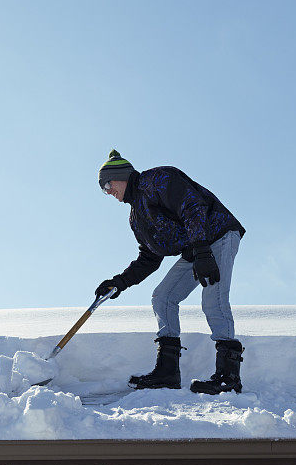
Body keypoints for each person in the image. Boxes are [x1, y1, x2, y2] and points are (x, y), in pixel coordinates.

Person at [95, 149, 246, 395]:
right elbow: (149, 258)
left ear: (121, 175)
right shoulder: (136, 217)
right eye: (104, 189)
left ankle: (228, 377)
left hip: (216, 236)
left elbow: (192, 207)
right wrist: (119, 282)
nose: (108, 191)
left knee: (213, 299)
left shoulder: (158, 180)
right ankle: (167, 372)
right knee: (163, 297)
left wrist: (202, 251)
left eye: (108, 184)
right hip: (195, 250)